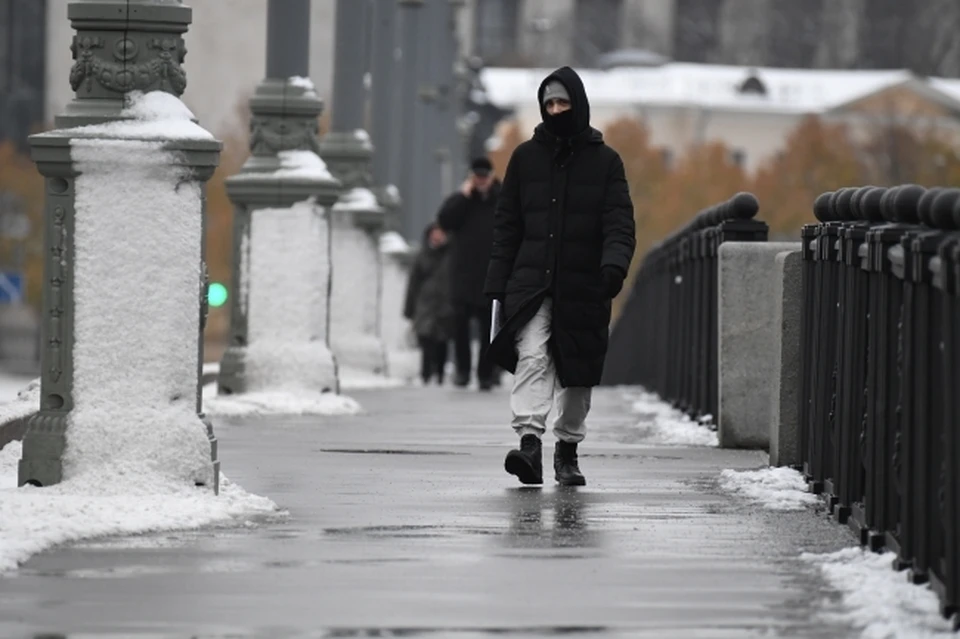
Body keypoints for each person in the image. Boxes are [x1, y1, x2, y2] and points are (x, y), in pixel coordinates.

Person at [484, 66, 636, 486]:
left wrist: (613, 266)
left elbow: (619, 221)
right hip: (531, 283)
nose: (555, 110)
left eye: (562, 103)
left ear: (578, 104)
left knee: (577, 373)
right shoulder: (525, 158)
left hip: (585, 285)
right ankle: (529, 444)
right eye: (548, 104)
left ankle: (567, 450)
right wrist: (496, 282)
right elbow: (507, 225)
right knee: (533, 355)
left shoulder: (606, 162)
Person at [437, 156, 501, 391]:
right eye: (477, 176)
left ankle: (486, 373)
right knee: (460, 326)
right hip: (463, 275)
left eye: (485, 176)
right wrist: (463, 196)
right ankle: (463, 371)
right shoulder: (462, 200)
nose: (481, 181)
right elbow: (444, 221)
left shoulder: (502, 198)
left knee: (488, 329)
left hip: (490, 273)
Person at [404, 223, 455, 385]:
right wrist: (409, 308)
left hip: (445, 303)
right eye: (435, 233)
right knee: (426, 340)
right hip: (425, 304)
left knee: (442, 341)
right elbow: (413, 284)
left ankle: (440, 373)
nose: (437, 236)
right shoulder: (422, 255)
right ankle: (425, 374)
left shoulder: (452, 255)